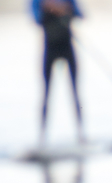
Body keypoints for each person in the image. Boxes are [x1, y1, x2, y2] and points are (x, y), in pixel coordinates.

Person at [31, 0, 84, 146]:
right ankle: (42, 140)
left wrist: (64, 9)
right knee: (46, 95)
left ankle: (81, 137)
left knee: (75, 94)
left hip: (68, 48)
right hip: (50, 50)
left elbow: (81, 15)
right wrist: (51, 8)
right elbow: (36, 19)